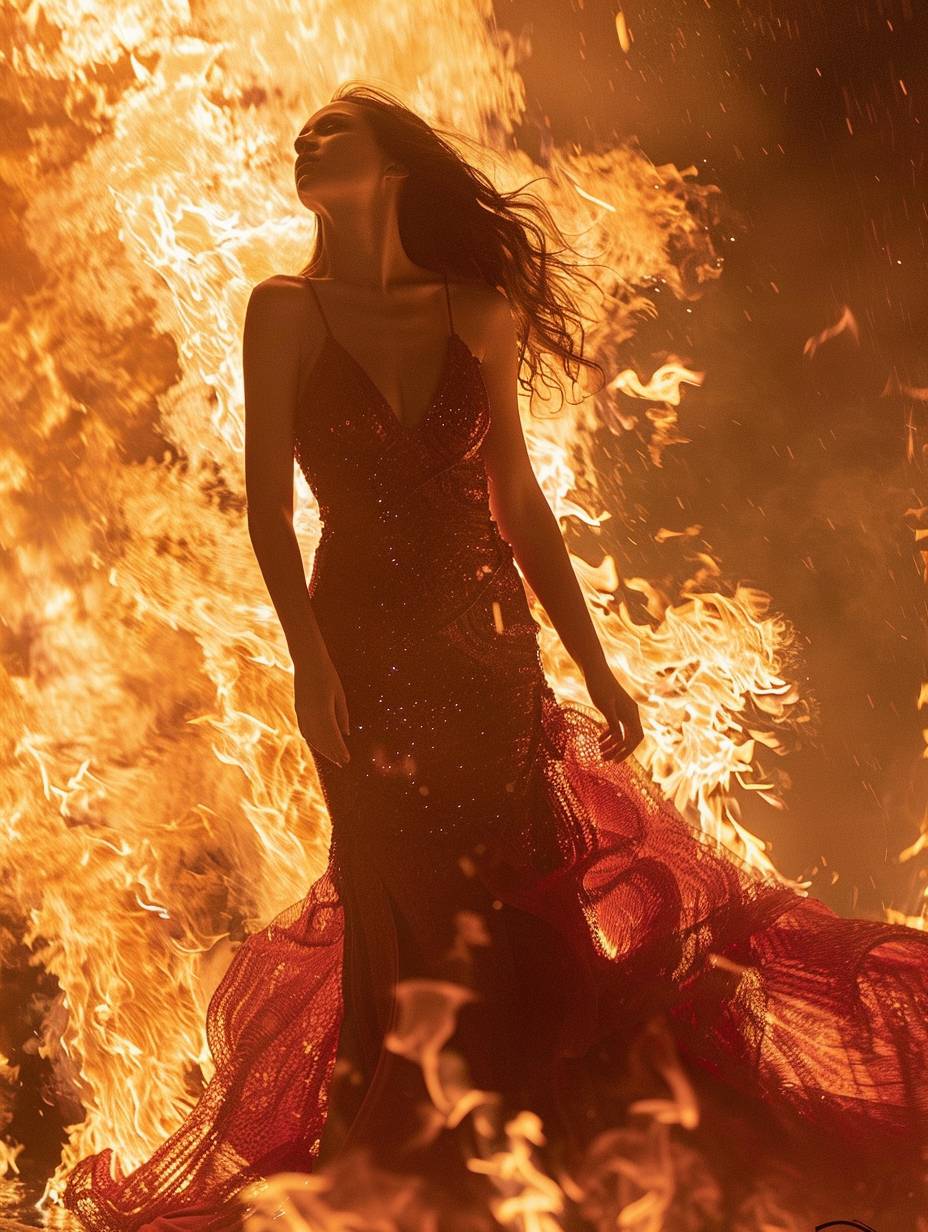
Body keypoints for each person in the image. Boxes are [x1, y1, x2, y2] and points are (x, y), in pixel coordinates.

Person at [62, 83, 928, 1232]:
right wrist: (308, 663)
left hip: (486, 652)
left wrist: (598, 666)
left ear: (392, 169)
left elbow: (517, 501)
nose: (308, 146)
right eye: (303, 140)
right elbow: (271, 512)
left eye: (337, 137)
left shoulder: (478, 310)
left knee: (515, 914)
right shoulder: (284, 311)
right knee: (399, 907)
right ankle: (412, 1171)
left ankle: (534, 1162)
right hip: (365, 649)